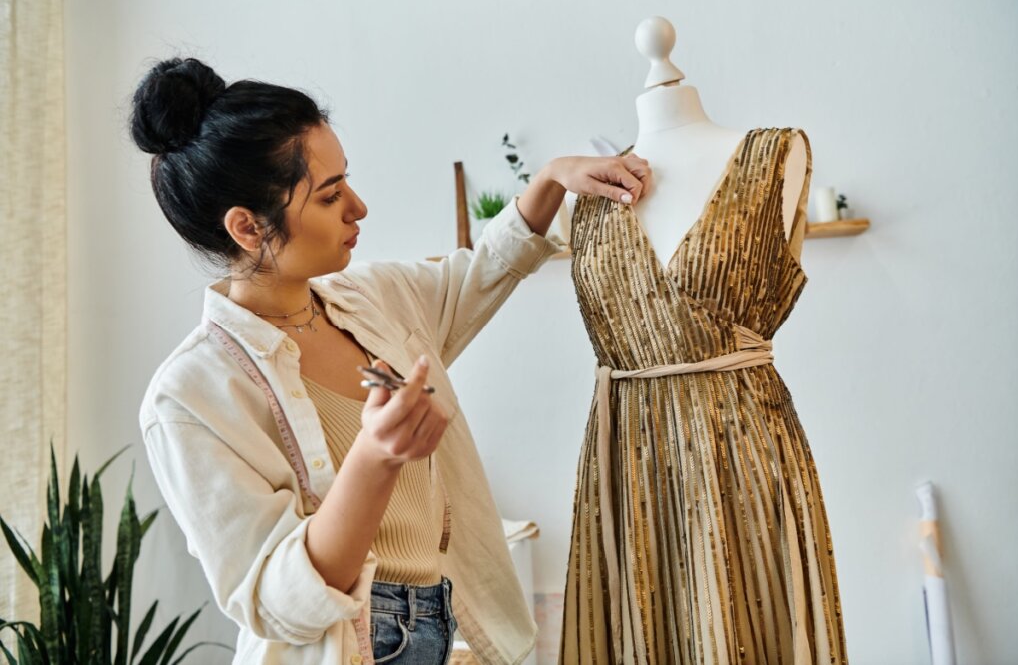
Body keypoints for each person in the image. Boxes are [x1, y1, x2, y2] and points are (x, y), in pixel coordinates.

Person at [133, 57, 650, 664]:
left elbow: (479, 273)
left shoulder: (374, 299)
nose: (358, 207)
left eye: (347, 181)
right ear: (249, 227)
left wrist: (553, 180)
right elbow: (278, 601)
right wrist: (375, 458)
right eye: (330, 196)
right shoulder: (189, 397)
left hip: (439, 629)